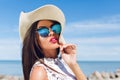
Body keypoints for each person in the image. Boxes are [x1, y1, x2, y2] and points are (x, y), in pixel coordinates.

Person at [19, 4, 86, 80]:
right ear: (35, 39)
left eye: (55, 28)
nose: (51, 33)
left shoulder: (65, 63)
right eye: (44, 31)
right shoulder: (40, 72)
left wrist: (73, 64)